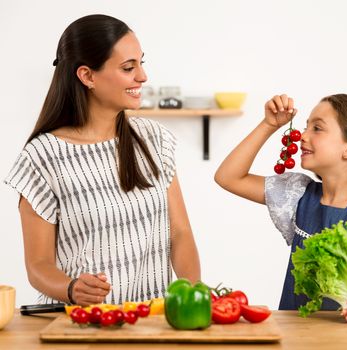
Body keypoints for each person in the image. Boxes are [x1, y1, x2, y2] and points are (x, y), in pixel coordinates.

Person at [4, 14, 200, 306]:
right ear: (87, 76)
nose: (142, 76)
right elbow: (38, 265)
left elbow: (180, 232)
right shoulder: (41, 157)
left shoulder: (154, 139)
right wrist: (72, 288)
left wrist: (193, 294)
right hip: (81, 325)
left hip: (150, 321)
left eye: (141, 63)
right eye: (128, 67)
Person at [215, 93, 347, 323]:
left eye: (317, 128)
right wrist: (269, 125)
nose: (303, 136)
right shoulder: (298, 195)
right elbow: (228, 177)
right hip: (300, 335)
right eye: (306, 126)